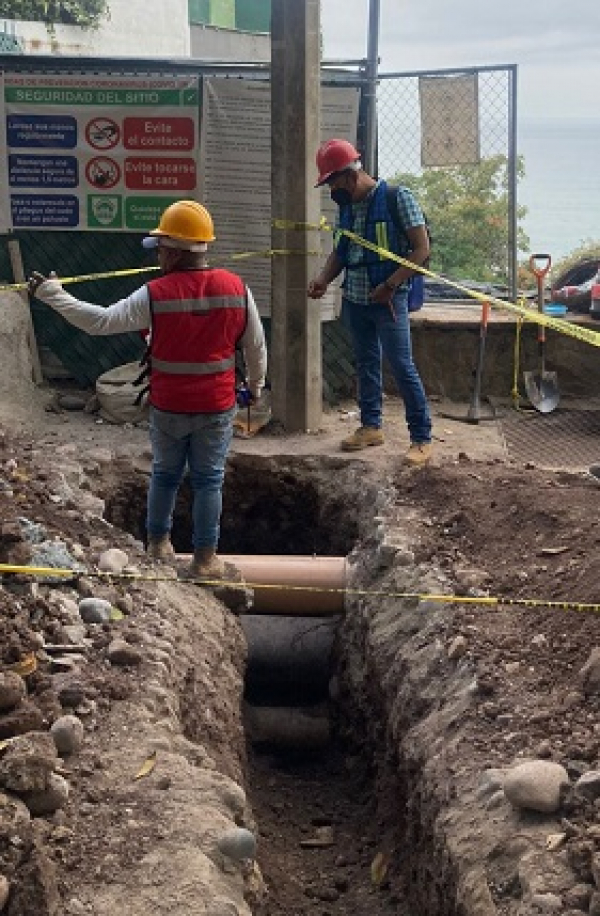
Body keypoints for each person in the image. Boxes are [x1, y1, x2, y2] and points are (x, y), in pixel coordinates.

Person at [28, 199, 267, 579]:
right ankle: (206, 560)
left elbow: (100, 322)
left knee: (165, 474)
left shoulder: (154, 294)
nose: (157, 255)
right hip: (216, 405)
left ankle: (158, 546)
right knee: (209, 480)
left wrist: (52, 294)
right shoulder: (237, 289)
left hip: (169, 405)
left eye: (160, 248)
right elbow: (255, 346)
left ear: (174, 251)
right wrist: (254, 387)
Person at [307, 139, 433, 464]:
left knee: (402, 367)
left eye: (332, 181)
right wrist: (323, 279)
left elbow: (421, 251)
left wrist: (391, 285)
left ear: (350, 174)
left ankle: (421, 438)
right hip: (356, 298)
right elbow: (342, 251)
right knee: (365, 364)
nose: (331, 189)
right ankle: (370, 426)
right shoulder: (346, 208)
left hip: (388, 300)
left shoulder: (396, 198)